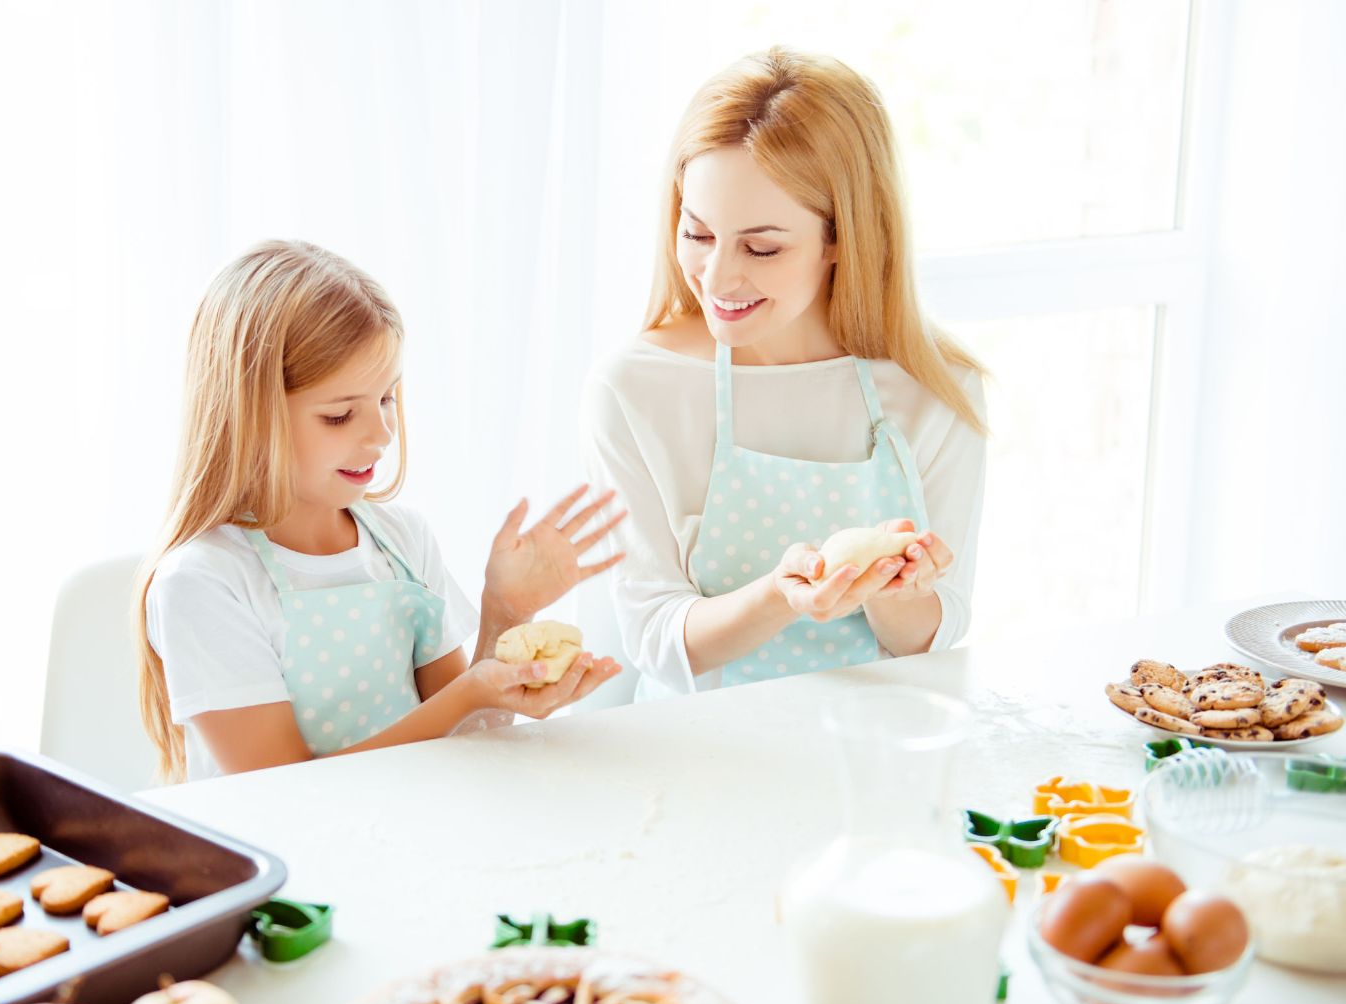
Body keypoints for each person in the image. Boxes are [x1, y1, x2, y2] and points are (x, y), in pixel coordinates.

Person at [581, 47, 987, 700]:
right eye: (698, 233)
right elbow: (656, 638)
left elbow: (939, 632)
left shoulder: (938, 392)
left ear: (842, 237)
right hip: (698, 766)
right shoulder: (633, 390)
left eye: (761, 247)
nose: (717, 278)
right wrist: (782, 594)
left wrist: (894, 589)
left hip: (874, 761)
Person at [138, 240, 623, 781]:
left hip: (409, 828)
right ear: (249, 416)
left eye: (387, 399)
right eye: (340, 415)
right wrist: (466, 694)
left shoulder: (402, 541)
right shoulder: (204, 582)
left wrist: (505, 614)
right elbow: (280, 789)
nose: (382, 432)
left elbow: (471, 739)